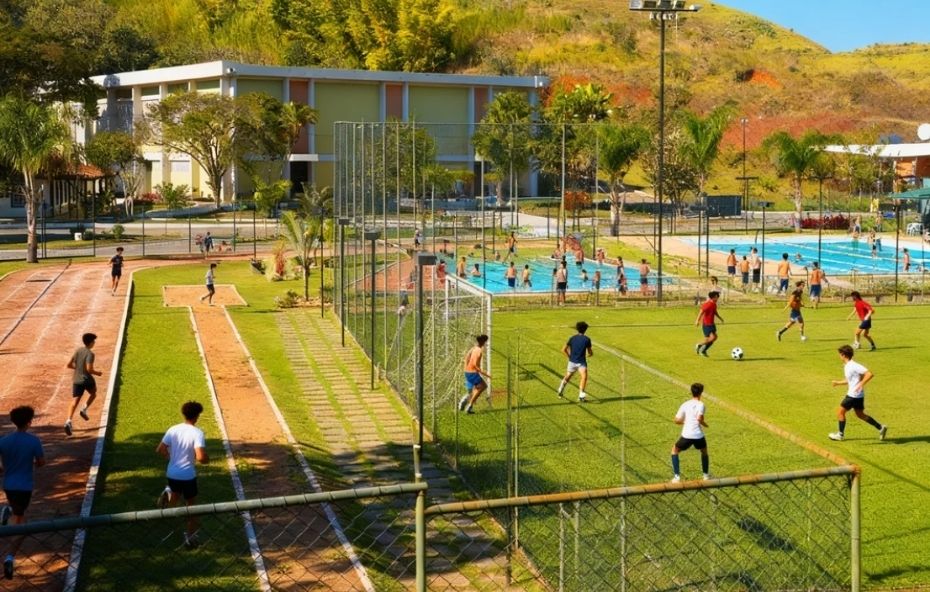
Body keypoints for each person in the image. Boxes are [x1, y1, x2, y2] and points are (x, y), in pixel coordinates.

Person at [156, 401, 210, 549]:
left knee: (173, 503)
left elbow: (160, 449)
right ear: (197, 416)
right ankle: (190, 537)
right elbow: (200, 457)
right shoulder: (197, 433)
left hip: (172, 473)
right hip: (188, 476)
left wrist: (171, 459)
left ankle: (168, 492)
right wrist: (206, 459)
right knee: (192, 507)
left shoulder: (173, 429)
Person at [0, 406, 45, 579]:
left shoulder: (3, 441)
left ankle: (8, 512)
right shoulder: (33, 441)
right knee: (22, 523)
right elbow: (41, 462)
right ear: (29, 421)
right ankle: (10, 557)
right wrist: (30, 463)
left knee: (17, 512)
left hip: (9, 485)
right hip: (24, 486)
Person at [828, 345, 887, 442]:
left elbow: (869, 374)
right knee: (860, 415)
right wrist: (838, 383)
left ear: (844, 355)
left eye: (840, 355)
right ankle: (880, 427)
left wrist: (861, 384)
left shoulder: (853, 365)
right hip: (858, 395)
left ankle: (840, 435)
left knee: (840, 412)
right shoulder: (848, 366)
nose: (839, 356)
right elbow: (849, 380)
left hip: (853, 395)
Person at [670, 383, 710, 483]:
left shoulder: (685, 404)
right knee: (704, 452)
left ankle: (677, 477)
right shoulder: (701, 405)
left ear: (691, 392)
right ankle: (705, 475)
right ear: (701, 393)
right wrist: (705, 425)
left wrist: (685, 422)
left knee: (674, 451)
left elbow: (676, 420)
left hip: (687, 435)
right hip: (698, 435)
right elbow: (700, 419)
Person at [65, 332, 102, 436]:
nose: (94, 343)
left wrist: (78, 369)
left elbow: (68, 365)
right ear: (90, 343)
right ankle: (84, 409)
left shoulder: (78, 350)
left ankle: (68, 421)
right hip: (87, 380)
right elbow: (89, 369)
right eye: (94, 341)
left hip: (76, 380)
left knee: (75, 401)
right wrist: (97, 373)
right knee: (93, 393)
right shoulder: (90, 354)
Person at [557, 321, 593, 403]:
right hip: (581, 363)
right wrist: (590, 354)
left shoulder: (572, 338)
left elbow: (563, 350)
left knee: (568, 376)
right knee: (584, 377)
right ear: (585, 330)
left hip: (572, 362)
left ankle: (560, 389)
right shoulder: (587, 339)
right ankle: (581, 395)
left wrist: (570, 357)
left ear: (577, 329)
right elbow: (590, 352)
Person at [458, 335, 491, 414]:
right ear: (483, 342)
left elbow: (467, 357)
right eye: (485, 341)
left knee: (474, 390)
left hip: (467, 372)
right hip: (472, 373)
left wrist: (465, 367)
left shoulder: (473, 348)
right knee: (483, 386)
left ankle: (465, 400)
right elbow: (475, 365)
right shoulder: (479, 351)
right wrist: (486, 374)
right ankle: (469, 406)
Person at [694, 291, 723, 357]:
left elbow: (715, 312)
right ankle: (699, 345)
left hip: (712, 324)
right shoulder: (708, 304)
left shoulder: (714, 304)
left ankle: (703, 351)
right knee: (712, 338)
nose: (718, 298)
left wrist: (720, 318)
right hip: (706, 324)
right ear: (714, 297)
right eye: (717, 297)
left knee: (713, 338)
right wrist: (697, 320)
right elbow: (701, 311)